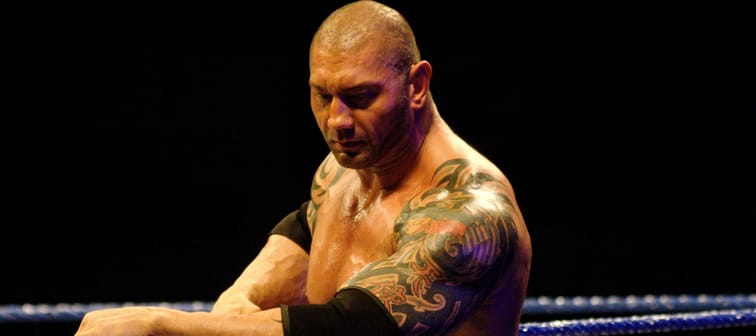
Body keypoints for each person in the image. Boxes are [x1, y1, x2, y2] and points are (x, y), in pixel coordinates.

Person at [75, 1, 532, 335]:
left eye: (360, 98)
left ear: (416, 85)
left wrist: (161, 324)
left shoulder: (470, 215)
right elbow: (302, 237)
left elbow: (351, 328)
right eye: (322, 96)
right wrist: (239, 300)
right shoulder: (340, 173)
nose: (338, 120)